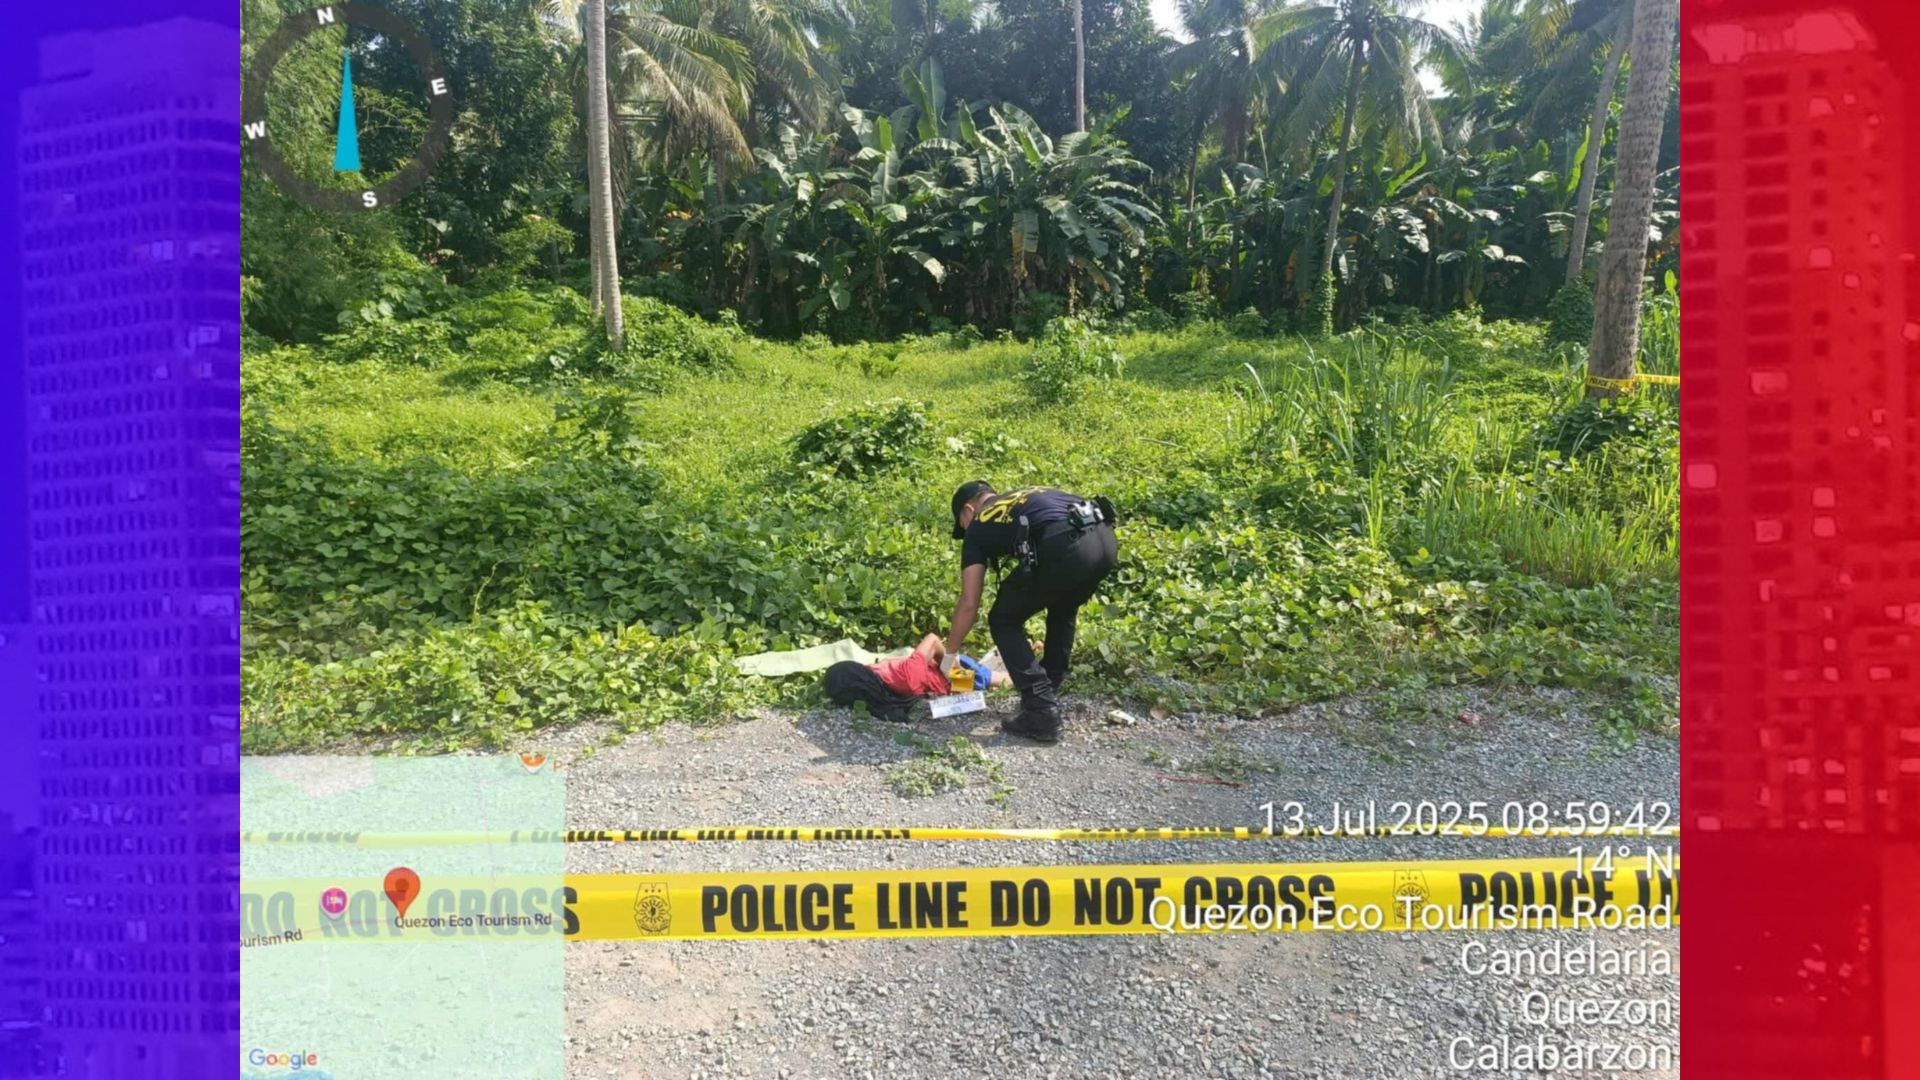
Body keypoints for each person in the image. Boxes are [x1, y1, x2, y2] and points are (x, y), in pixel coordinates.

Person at [940, 481, 1119, 743]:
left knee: (1003, 619)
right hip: (1104, 538)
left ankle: (1041, 709)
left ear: (968, 510)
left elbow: (969, 601)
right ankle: (1049, 688)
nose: (966, 533)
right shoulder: (1024, 495)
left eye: (962, 526)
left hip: (1064, 543)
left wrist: (950, 654)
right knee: (1063, 606)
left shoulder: (979, 523)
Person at [820, 633, 1015, 723]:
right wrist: (954, 673)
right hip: (955, 677)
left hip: (942, 691)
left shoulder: (876, 703)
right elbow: (933, 640)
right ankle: (1034, 678)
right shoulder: (905, 675)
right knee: (998, 678)